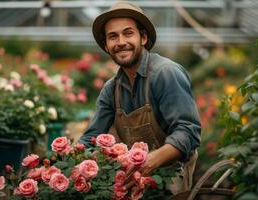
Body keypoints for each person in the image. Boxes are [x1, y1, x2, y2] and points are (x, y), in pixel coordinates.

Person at [78, 1, 201, 194]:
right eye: (113, 36)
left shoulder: (165, 74)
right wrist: (64, 163)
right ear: (106, 46)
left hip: (170, 179)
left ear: (143, 37)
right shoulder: (112, 89)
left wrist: (150, 161)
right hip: (132, 180)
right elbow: (90, 138)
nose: (120, 42)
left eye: (128, 33)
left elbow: (188, 132)